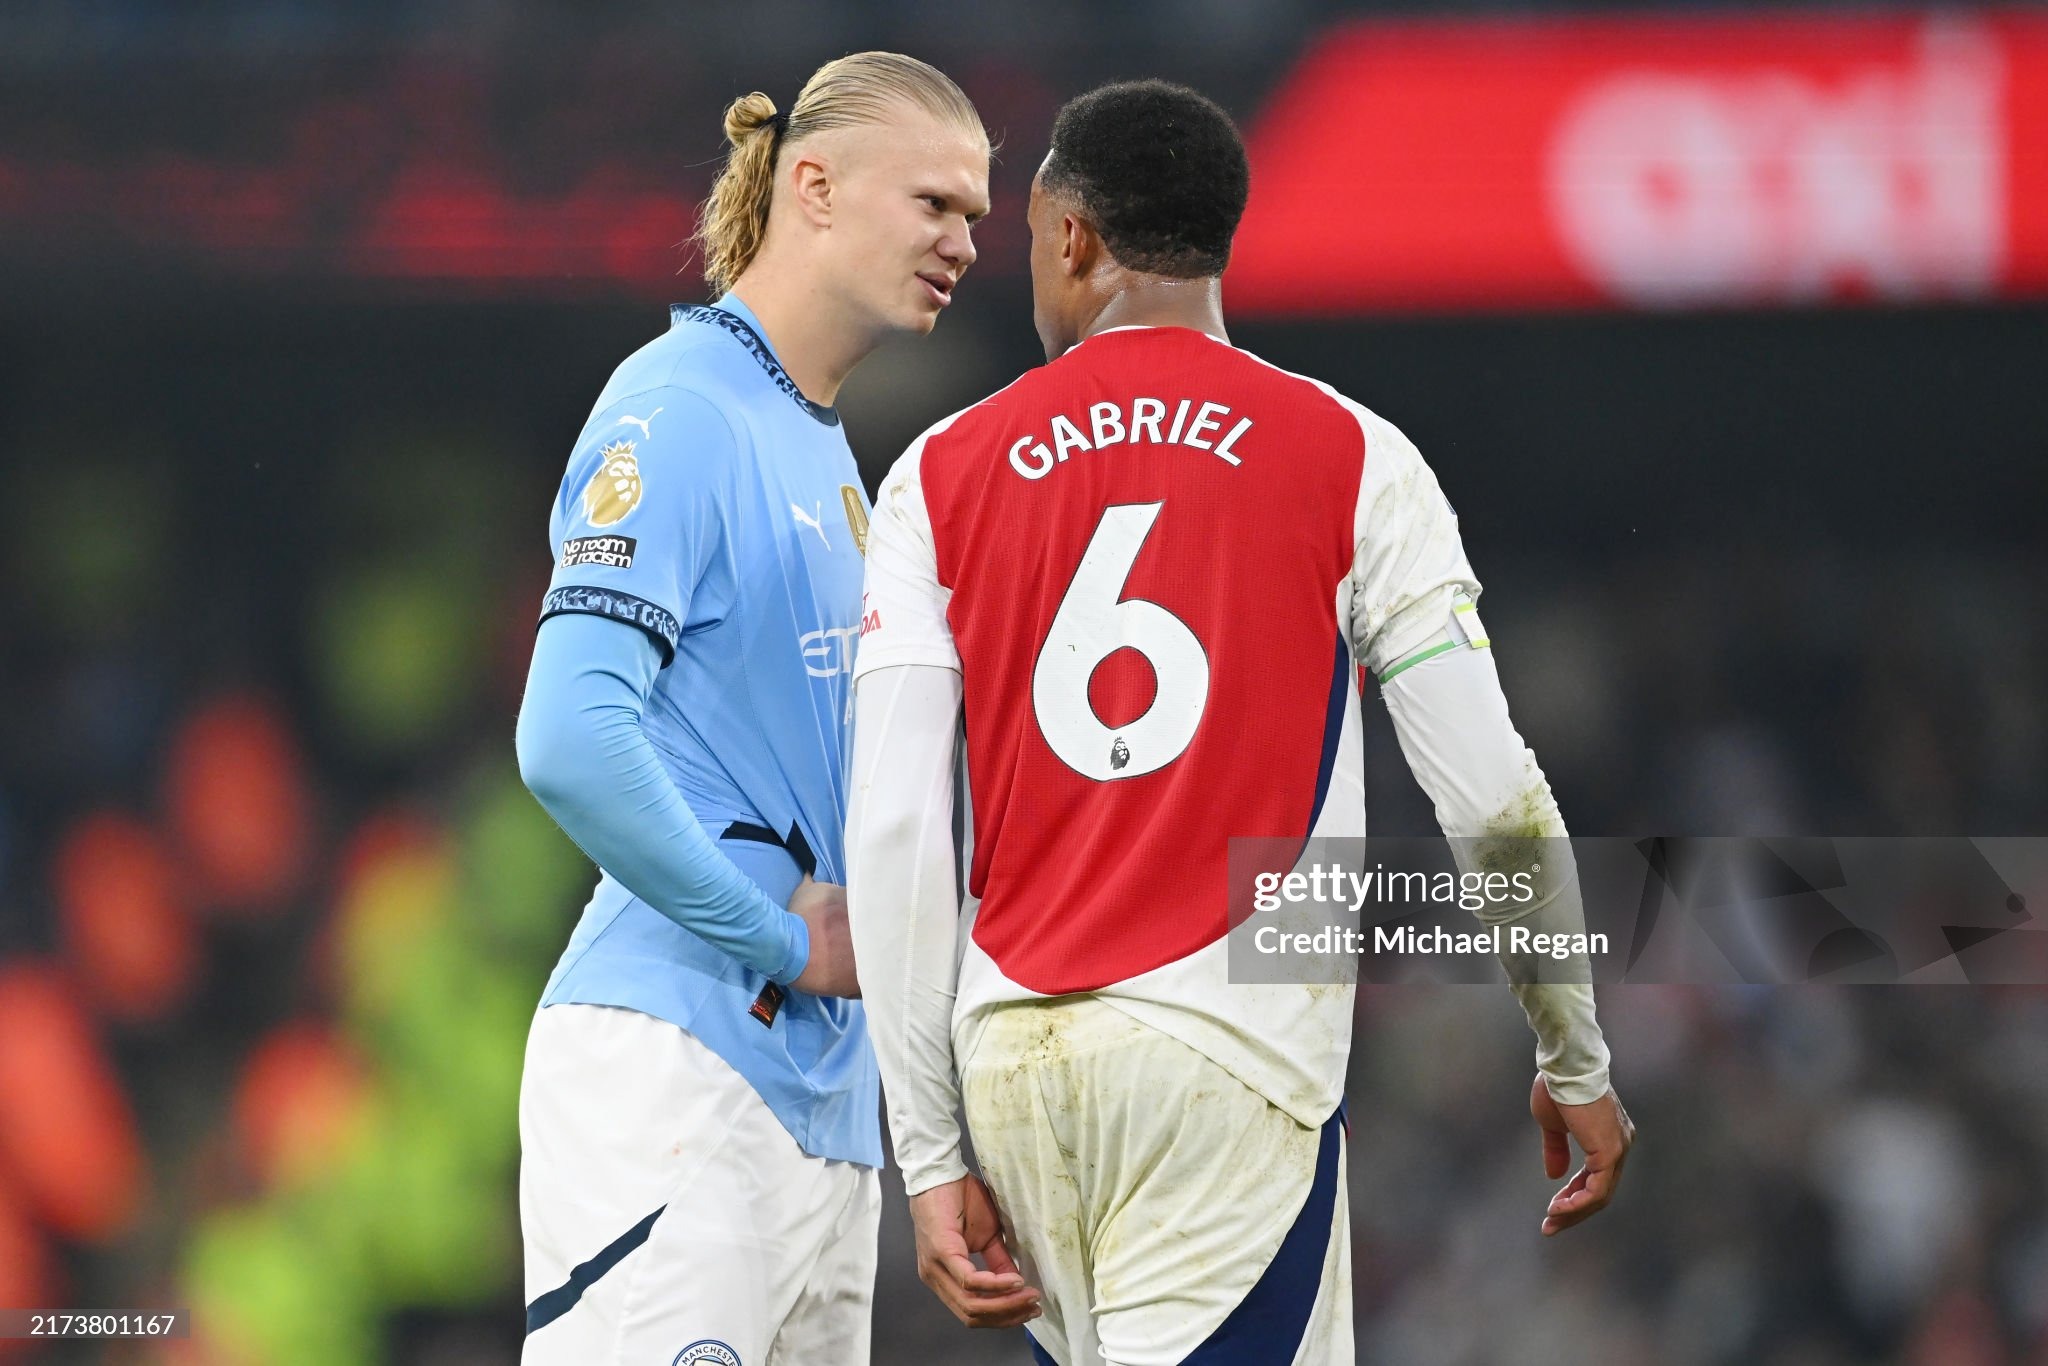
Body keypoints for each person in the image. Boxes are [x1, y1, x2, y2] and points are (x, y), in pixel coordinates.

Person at [845, 79, 1633, 1364]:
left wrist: (928, 1152)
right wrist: (1572, 1052)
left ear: (1072, 238)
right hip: (1222, 1063)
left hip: (1009, 1064)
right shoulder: (1353, 456)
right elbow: (1492, 798)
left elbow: (890, 829)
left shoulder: (936, 473)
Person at [512, 52, 988, 1366]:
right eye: (936, 204)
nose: (962, 243)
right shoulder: (678, 411)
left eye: (976, 218)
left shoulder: (823, 449)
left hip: (822, 1114)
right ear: (815, 187)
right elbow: (568, 738)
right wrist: (773, 937)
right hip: (678, 1068)